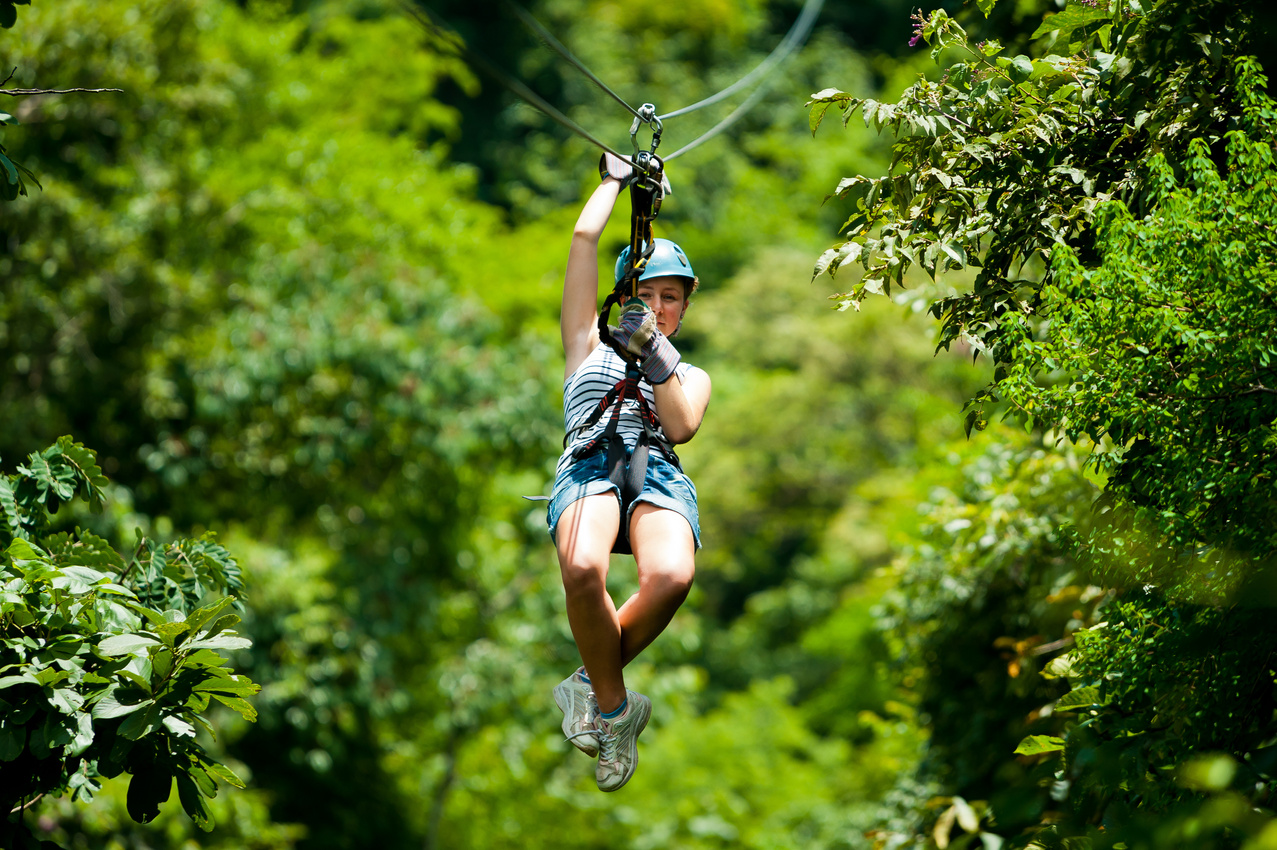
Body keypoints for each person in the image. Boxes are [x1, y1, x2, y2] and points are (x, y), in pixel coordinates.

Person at [546, 153, 712, 792]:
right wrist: (614, 182)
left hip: (657, 473)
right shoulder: (585, 343)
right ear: (622, 297)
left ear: (684, 309)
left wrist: (655, 352)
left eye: (670, 298)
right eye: (645, 295)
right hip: (591, 462)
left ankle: (590, 682)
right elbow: (584, 239)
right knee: (584, 569)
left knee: (671, 575)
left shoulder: (690, 373)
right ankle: (616, 710)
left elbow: (681, 426)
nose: (658, 306)